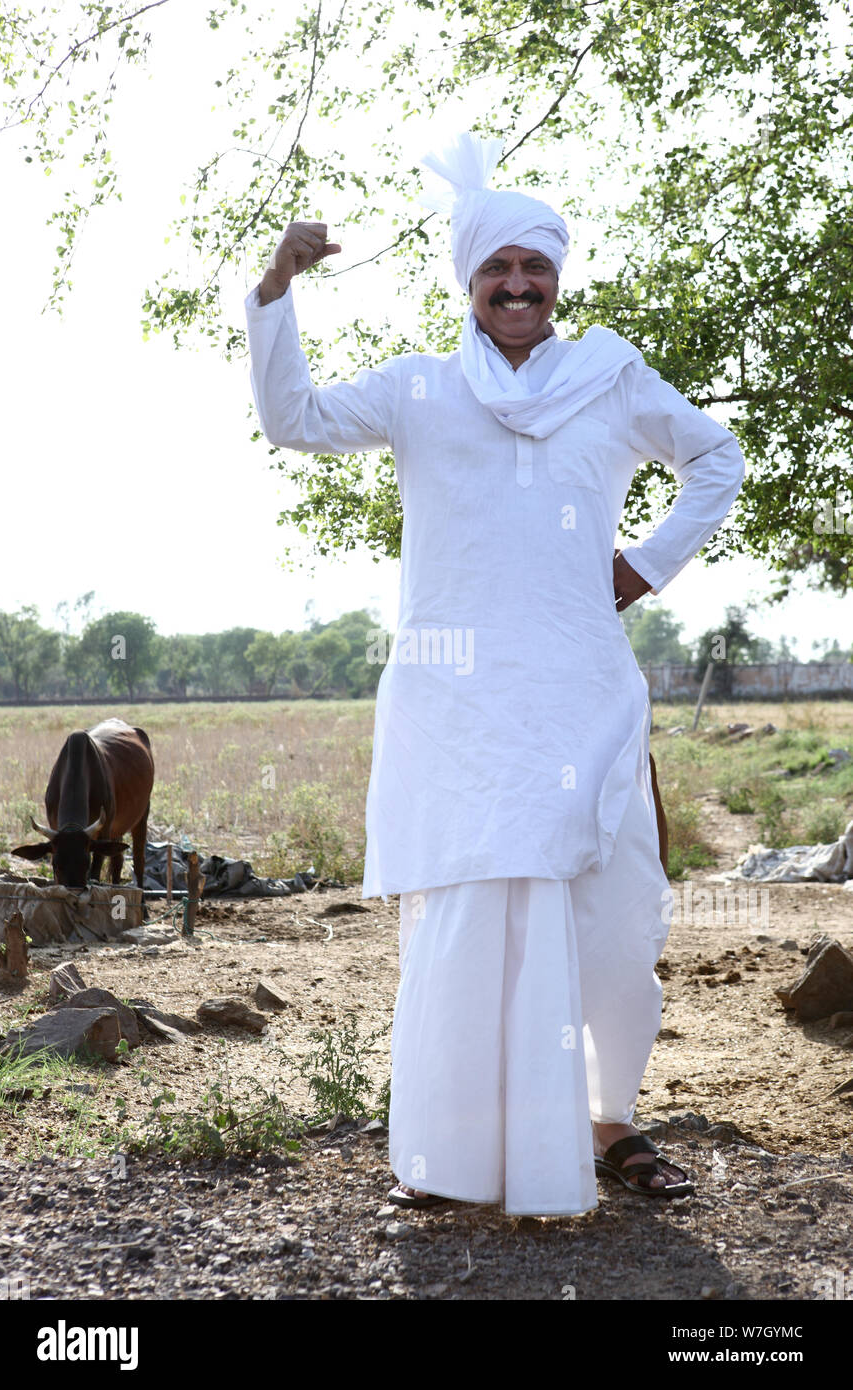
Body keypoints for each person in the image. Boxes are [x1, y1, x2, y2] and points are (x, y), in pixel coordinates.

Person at [244, 132, 745, 1216]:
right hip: (461, 711)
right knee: (473, 922)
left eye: (535, 269)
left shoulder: (610, 378)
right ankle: (453, 1155)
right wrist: (276, 289)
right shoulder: (417, 391)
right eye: (496, 270)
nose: (517, 288)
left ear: (557, 278)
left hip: (581, 699)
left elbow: (715, 456)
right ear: (467, 281)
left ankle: (606, 1122)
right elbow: (291, 421)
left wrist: (645, 563)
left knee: (610, 924)